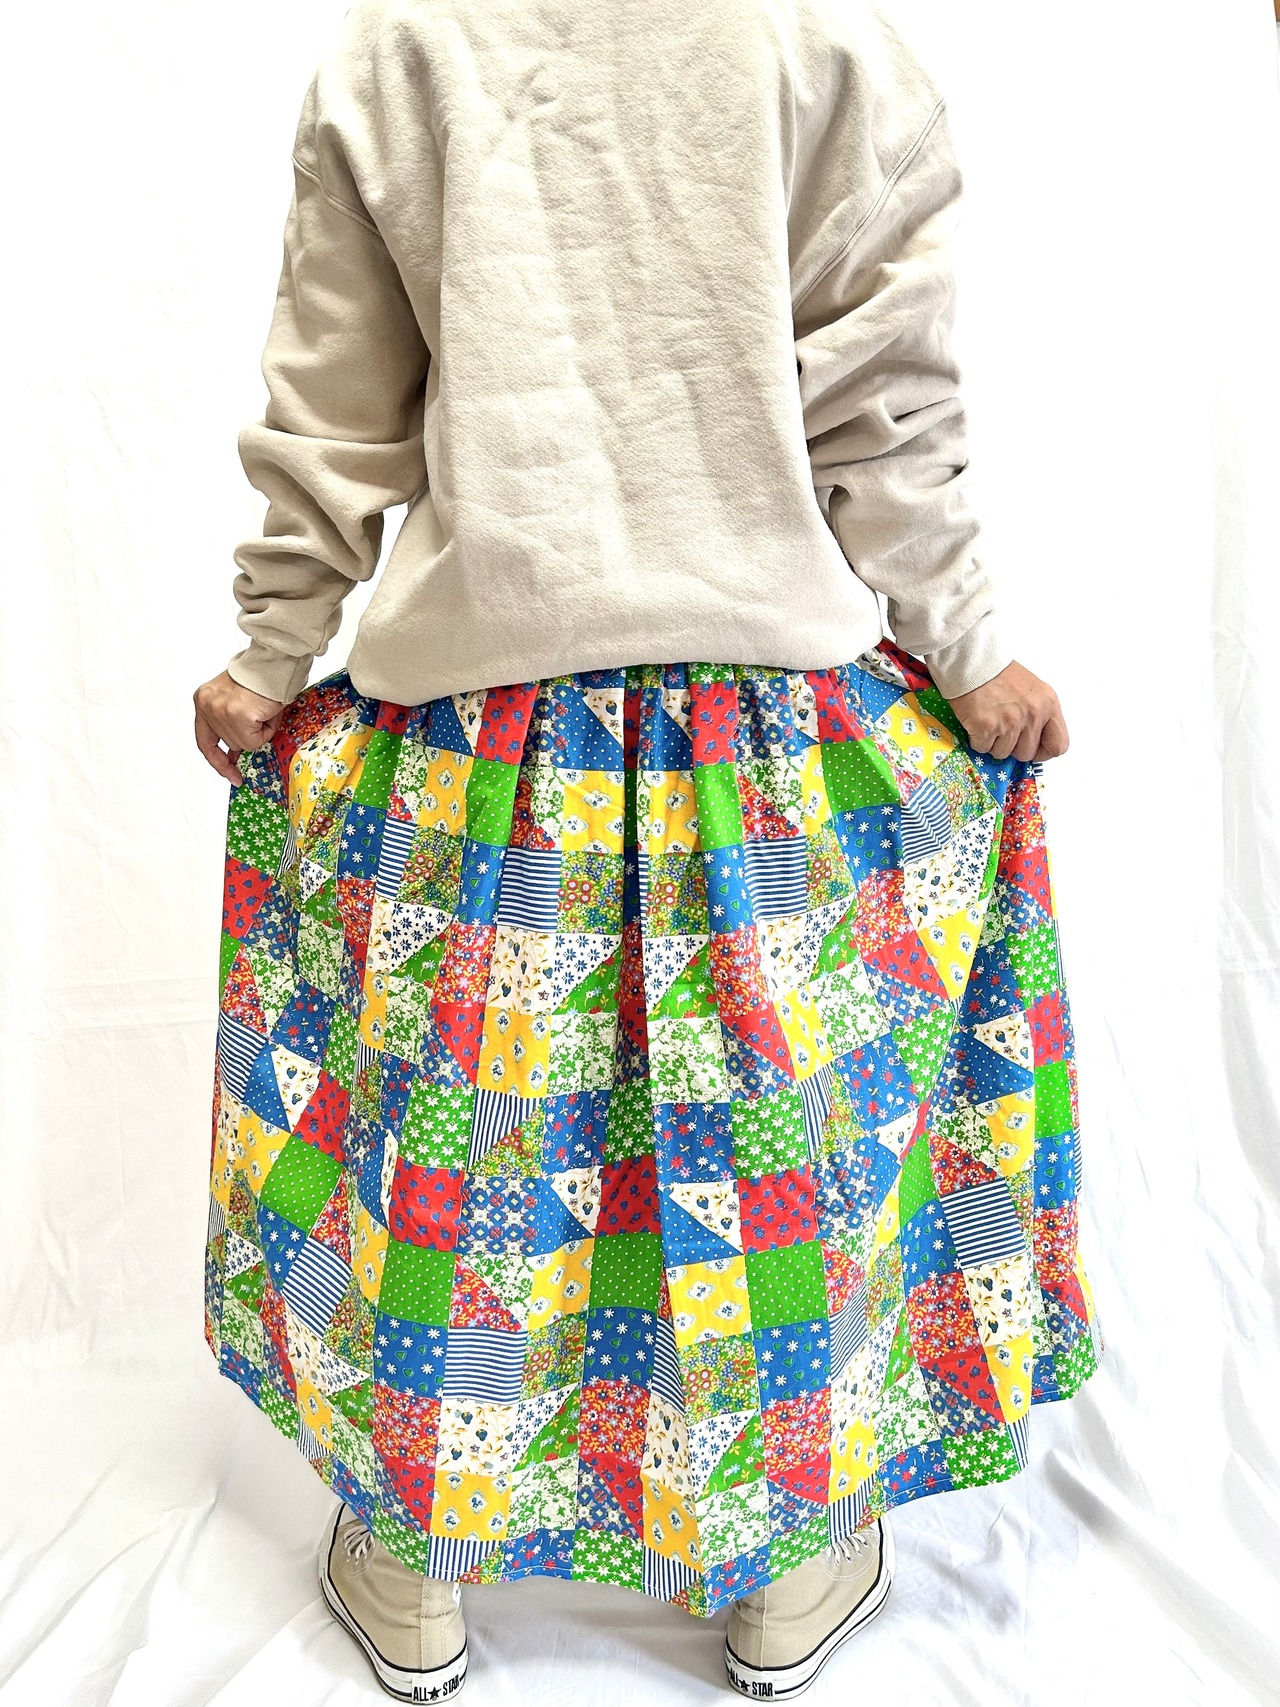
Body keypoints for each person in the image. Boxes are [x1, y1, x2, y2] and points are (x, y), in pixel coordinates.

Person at [193, 0, 1103, 1698]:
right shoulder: (825, 49)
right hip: (764, 753)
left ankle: (414, 1559)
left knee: (458, 1161)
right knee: (781, 1149)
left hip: (478, 754)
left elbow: (334, 409)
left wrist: (269, 654)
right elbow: (885, 412)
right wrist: (970, 655)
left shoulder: (402, 56)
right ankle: (784, 1557)